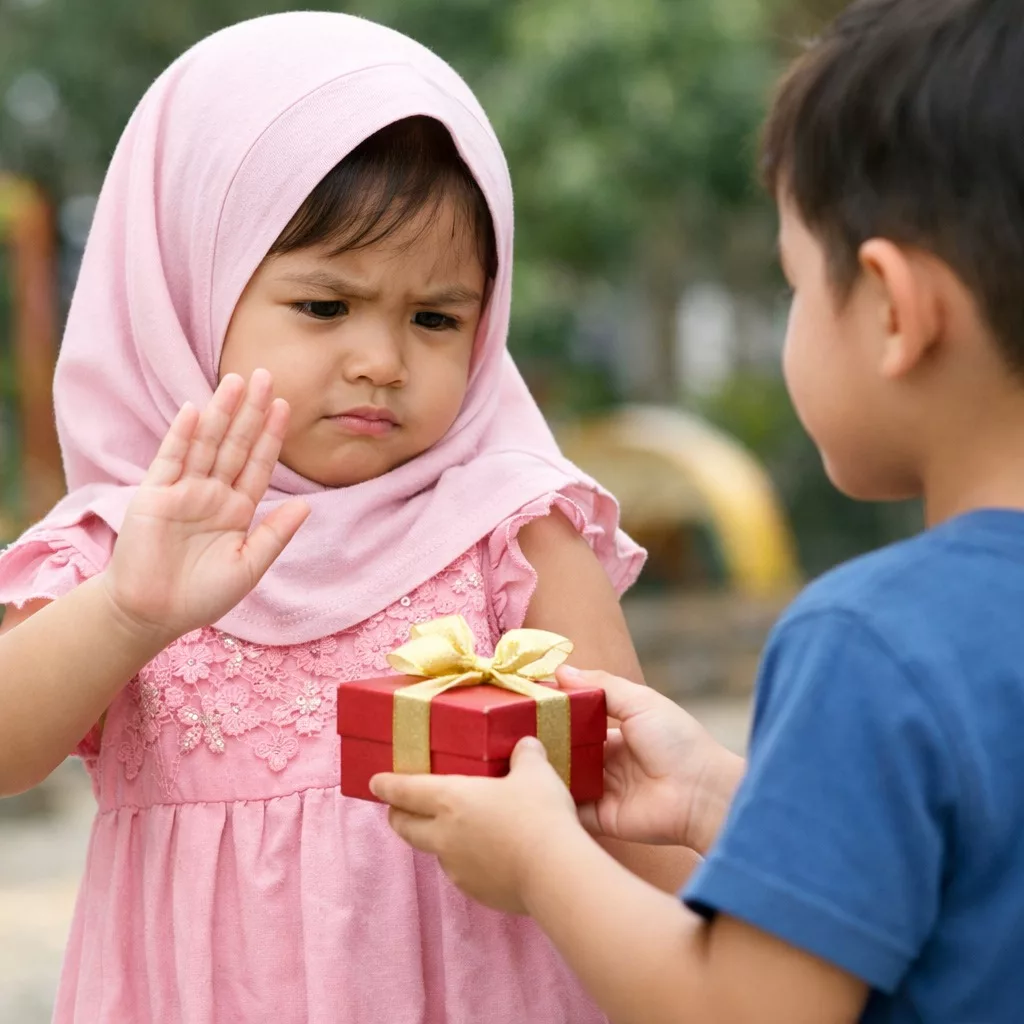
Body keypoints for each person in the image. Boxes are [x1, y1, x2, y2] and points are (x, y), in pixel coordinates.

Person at [0, 13, 688, 1023]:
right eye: (325, 306)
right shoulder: (126, 540)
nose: (381, 358)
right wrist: (127, 613)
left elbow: (636, 814)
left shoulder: (509, 526)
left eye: (435, 317)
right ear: (189, 292)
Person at [371, 1, 1024, 1021]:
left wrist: (541, 859)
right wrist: (729, 798)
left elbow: (744, 1008)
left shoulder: (874, 644)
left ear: (895, 310)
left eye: (792, 287)